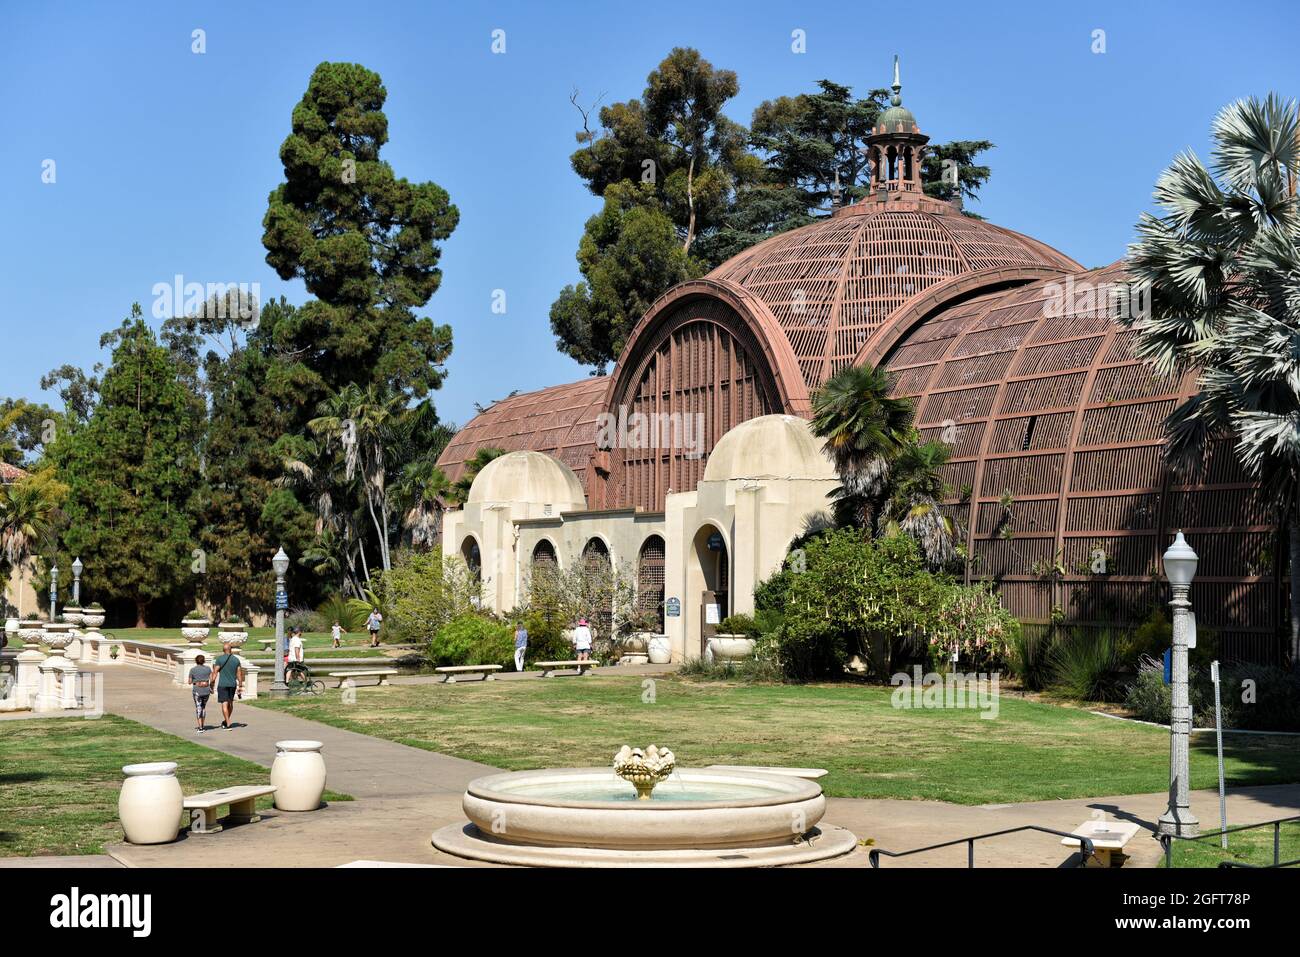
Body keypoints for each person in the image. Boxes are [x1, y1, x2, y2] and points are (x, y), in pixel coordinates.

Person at [212, 642, 244, 730]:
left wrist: (212, 682)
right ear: (231, 650)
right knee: (230, 703)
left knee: (224, 704)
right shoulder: (236, 660)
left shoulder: (220, 659)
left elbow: (215, 672)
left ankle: (228, 722)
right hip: (232, 684)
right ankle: (226, 721)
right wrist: (240, 684)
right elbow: (239, 673)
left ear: (223, 650)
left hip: (223, 684)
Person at [187, 653, 213, 733]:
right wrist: (211, 688)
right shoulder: (208, 669)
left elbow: (189, 682)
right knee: (203, 707)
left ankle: (200, 727)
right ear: (204, 661)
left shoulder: (193, 670)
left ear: (196, 661)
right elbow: (211, 680)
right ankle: (203, 725)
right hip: (206, 690)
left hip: (197, 691)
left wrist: (195, 681)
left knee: (198, 707)